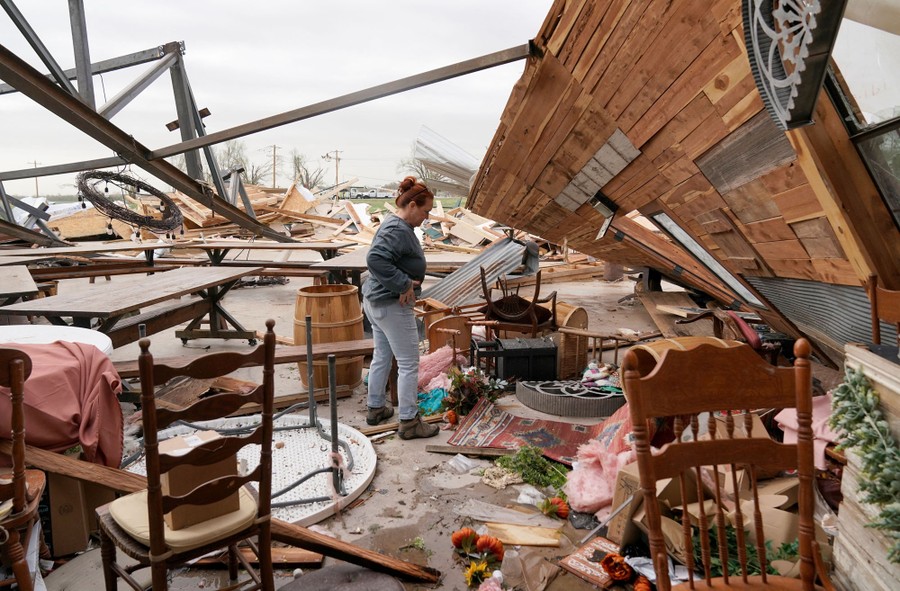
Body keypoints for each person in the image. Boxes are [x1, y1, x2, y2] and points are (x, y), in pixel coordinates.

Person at [362, 176, 439, 440]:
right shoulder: (397, 229)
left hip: (377, 302)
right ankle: (408, 421)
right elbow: (375, 259)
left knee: (382, 356)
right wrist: (403, 283)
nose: (427, 217)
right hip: (391, 305)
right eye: (426, 211)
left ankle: (376, 408)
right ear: (413, 205)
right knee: (408, 363)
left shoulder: (396, 225)